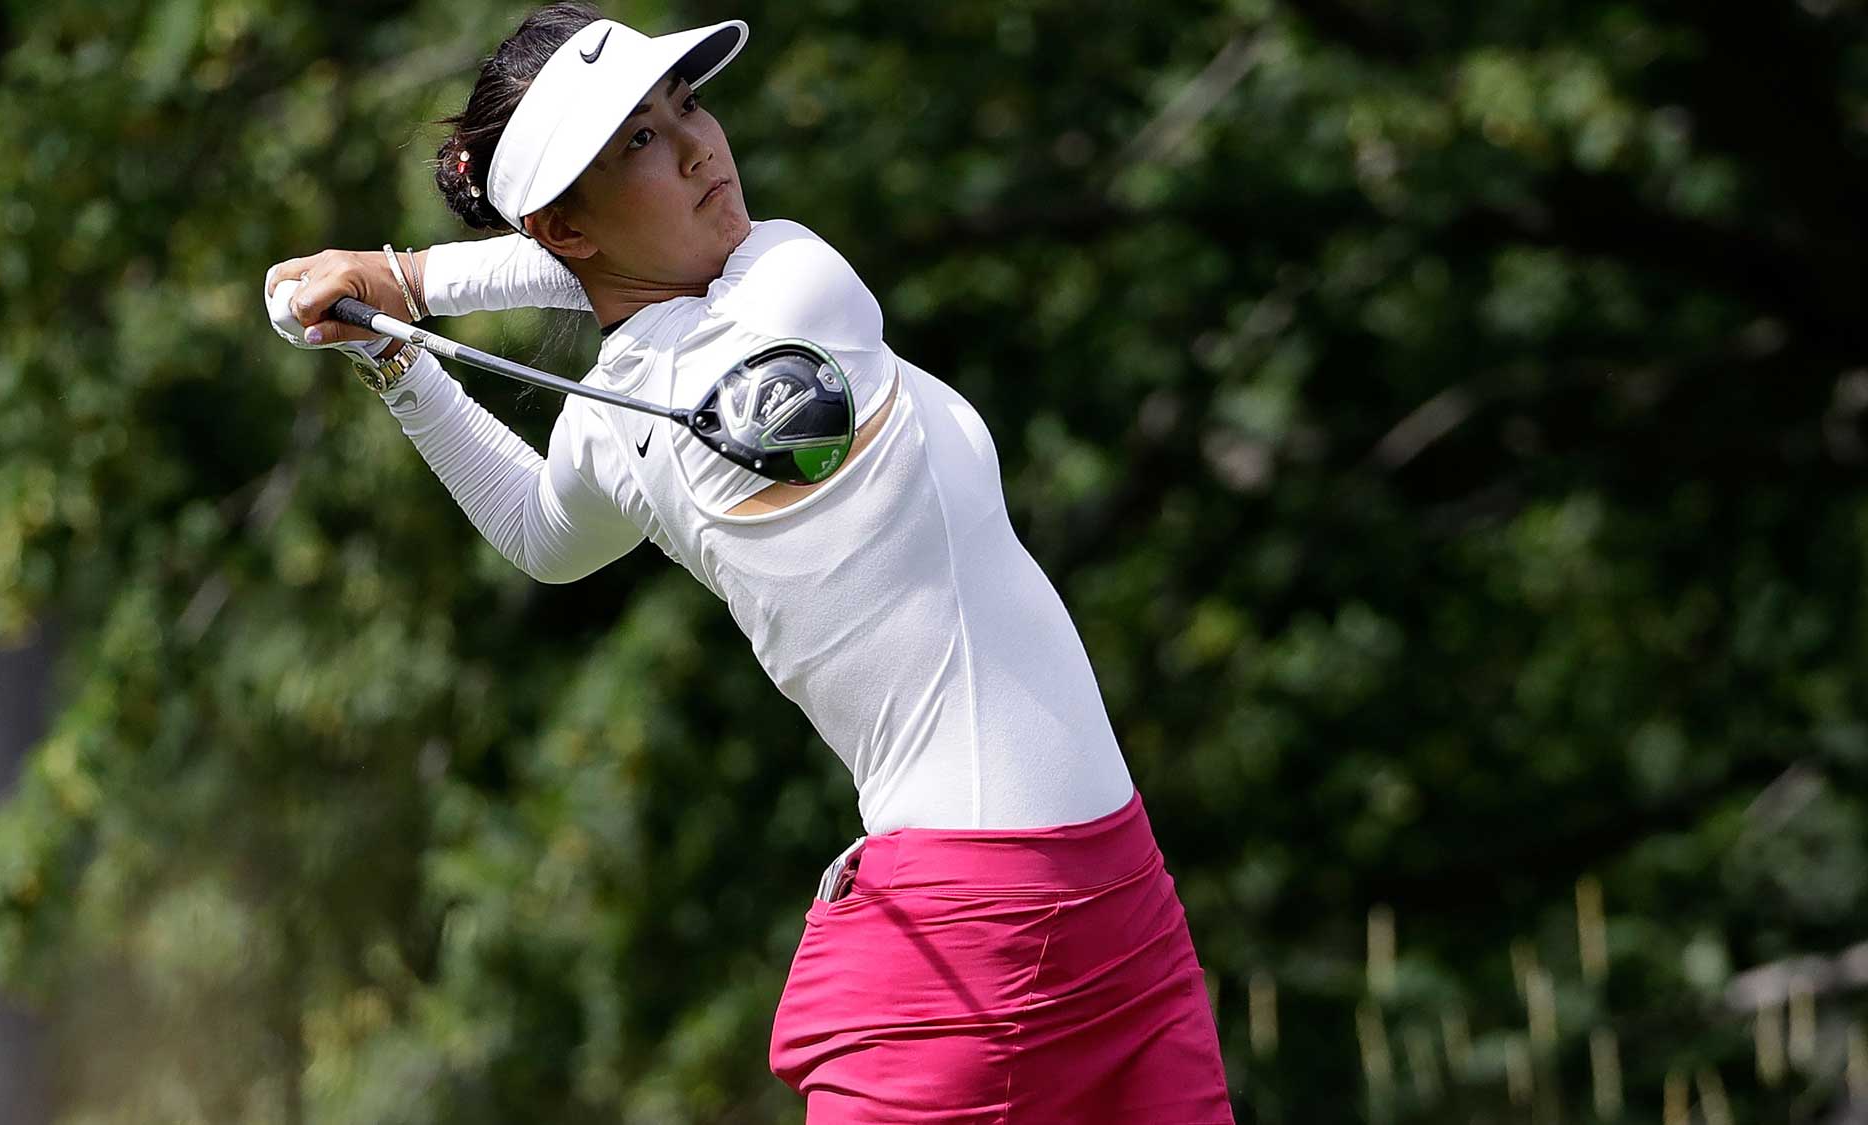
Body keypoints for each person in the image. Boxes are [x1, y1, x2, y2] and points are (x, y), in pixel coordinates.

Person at [264, 5, 1235, 1121]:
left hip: (1119, 909)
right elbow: (540, 529)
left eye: (685, 105)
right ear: (564, 228)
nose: (696, 147)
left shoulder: (662, 383)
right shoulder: (791, 281)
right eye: (635, 141)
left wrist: (404, 291)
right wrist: (402, 348)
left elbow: (547, 510)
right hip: (972, 947)